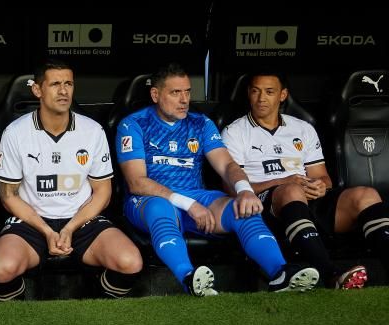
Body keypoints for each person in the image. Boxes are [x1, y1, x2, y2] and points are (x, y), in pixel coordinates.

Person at [116, 63, 319, 296]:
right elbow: (137, 183)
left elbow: (227, 165)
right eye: (175, 92)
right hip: (148, 200)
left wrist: (244, 190)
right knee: (160, 208)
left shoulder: (200, 123)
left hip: (196, 197)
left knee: (242, 208)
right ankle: (189, 278)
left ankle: (280, 273)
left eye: (187, 92)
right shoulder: (134, 124)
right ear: (155, 94)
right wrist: (189, 204)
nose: (184, 99)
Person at [0, 60, 143, 302]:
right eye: (55, 84)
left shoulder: (92, 131)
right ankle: (19, 324)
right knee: (1, 268)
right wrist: (47, 231)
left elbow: (103, 192)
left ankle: (96, 307)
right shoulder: (15, 132)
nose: (63, 91)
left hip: (82, 219)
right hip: (32, 220)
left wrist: (70, 227)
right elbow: (8, 195)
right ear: (37, 90)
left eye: (68, 84)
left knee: (130, 262)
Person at [222, 73, 389, 288]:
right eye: (255, 91)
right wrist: (284, 181)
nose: (261, 98)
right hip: (264, 206)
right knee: (291, 191)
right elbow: (231, 188)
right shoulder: (234, 132)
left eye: (269, 92)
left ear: (283, 95)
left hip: (306, 199)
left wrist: (320, 187)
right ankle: (331, 275)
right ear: (248, 94)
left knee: (366, 195)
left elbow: (322, 177)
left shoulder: (302, 128)